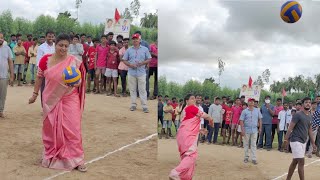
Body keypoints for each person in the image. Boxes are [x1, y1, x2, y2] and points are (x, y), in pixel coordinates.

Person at [28, 33, 87, 172]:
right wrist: (35, 94)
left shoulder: (74, 61)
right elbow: (39, 78)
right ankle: (50, 155)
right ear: (55, 45)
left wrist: (76, 83)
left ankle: (77, 159)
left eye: (66, 46)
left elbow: (80, 81)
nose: (63, 48)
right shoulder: (45, 60)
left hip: (69, 99)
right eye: (61, 45)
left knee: (73, 129)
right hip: (50, 99)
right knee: (50, 128)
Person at [169, 94, 213, 180]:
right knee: (191, 156)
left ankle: (184, 177)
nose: (194, 100)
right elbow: (206, 116)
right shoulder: (192, 107)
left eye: (194, 99)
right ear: (187, 101)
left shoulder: (185, 111)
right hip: (188, 136)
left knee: (186, 157)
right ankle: (175, 172)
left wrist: (199, 130)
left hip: (182, 136)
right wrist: (211, 120)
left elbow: (188, 124)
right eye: (192, 99)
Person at [283, 97, 317, 180]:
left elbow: (309, 130)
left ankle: (288, 179)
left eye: (309, 102)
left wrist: (313, 143)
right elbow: (290, 128)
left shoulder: (310, 116)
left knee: (295, 162)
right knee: (301, 162)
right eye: (306, 102)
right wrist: (285, 140)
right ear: (302, 104)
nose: (308, 104)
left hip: (303, 141)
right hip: (295, 140)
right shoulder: (297, 114)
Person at [122, 33, 151, 113]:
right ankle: (133, 104)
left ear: (139, 40)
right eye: (134, 39)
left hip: (141, 72)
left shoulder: (145, 49)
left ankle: (144, 106)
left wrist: (142, 63)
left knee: (142, 89)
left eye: (136, 39)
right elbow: (124, 59)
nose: (135, 40)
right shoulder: (129, 50)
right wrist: (130, 65)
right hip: (131, 72)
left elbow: (149, 59)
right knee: (132, 89)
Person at [239, 98, 262, 165]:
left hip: (254, 129)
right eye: (250, 101)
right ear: (248, 102)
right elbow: (241, 121)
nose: (252, 103)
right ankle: (246, 157)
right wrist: (242, 130)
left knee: (253, 144)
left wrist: (260, 128)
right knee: (246, 144)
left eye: (253, 101)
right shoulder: (244, 111)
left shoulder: (257, 110)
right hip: (246, 129)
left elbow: (260, 119)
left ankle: (254, 158)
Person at [36, 31, 55, 107]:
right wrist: (40, 72)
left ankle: (52, 106)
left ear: (54, 37)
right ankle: (44, 107)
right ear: (46, 37)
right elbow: (39, 61)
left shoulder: (56, 46)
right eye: (49, 36)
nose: (50, 38)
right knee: (44, 89)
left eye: (52, 36)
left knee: (53, 90)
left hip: (54, 72)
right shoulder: (41, 47)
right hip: (44, 72)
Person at [0, 32, 14, 118]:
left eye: (2, 38)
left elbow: (10, 62)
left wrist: (12, 76)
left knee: (2, 95)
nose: (0, 39)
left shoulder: (7, 48)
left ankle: (0, 111)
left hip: (3, 76)